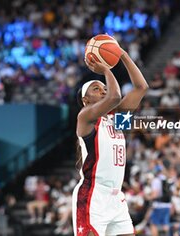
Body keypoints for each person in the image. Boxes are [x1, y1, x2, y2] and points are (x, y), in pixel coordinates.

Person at [72, 46, 148, 236]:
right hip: (93, 194)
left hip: (116, 197)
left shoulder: (118, 119)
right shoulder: (85, 117)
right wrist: (105, 69)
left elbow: (141, 87)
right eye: (97, 89)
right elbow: (114, 97)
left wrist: (122, 54)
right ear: (86, 100)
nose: (104, 91)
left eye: (105, 87)